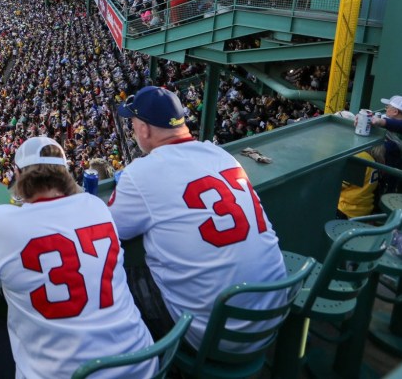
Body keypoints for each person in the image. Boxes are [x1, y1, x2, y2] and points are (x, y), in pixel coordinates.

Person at [0, 136, 156, 379]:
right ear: (65, 173)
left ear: (19, 174)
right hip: (144, 366)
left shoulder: (1, 219)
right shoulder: (96, 206)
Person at [108, 86, 286, 349]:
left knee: (126, 276)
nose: (133, 129)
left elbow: (110, 229)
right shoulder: (221, 155)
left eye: (133, 122)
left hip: (215, 337)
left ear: (144, 129)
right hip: (273, 316)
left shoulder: (141, 173)